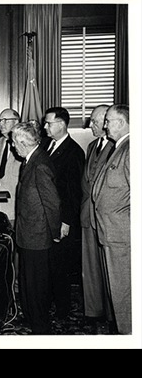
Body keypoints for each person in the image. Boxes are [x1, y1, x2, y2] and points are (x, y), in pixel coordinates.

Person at [13, 122, 61, 334]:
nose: (13, 146)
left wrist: (54, 233)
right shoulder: (30, 160)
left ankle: (41, 329)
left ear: (23, 143)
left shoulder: (40, 164)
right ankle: (32, 318)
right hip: (28, 234)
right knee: (28, 283)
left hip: (38, 236)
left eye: (14, 142)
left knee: (37, 286)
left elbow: (52, 203)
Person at [92, 104, 130, 334]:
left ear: (122, 122)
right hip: (112, 234)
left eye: (109, 120)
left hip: (123, 235)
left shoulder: (131, 149)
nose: (105, 125)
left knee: (125, 295)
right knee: (117, 294)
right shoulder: (120, 147)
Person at [43, 107, 85, 320]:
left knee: (60, 266)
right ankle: (52, 303)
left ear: (61, 124)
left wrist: (67, 221)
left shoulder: (74, 151)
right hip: (48, 216)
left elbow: (74, 192)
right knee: (50, 264)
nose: (45, 127)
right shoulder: (47, 145)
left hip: (62, 219)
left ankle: (62, 311)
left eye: (49, 123)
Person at [80, 105, 114, 326]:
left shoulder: (117, 146)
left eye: (93, 121)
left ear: (105, 122)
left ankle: (112, 315)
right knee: (89, 268)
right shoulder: (92, 146)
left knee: (109, 270)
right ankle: (94, 312)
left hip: (107, 218)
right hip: (87, 214)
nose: (90, 125)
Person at [0, 108, 22, 226]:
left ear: (16, 122)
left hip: (14, 205)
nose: (1, 124)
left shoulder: (23, 144)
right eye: (0, 121)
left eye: (5, 120)